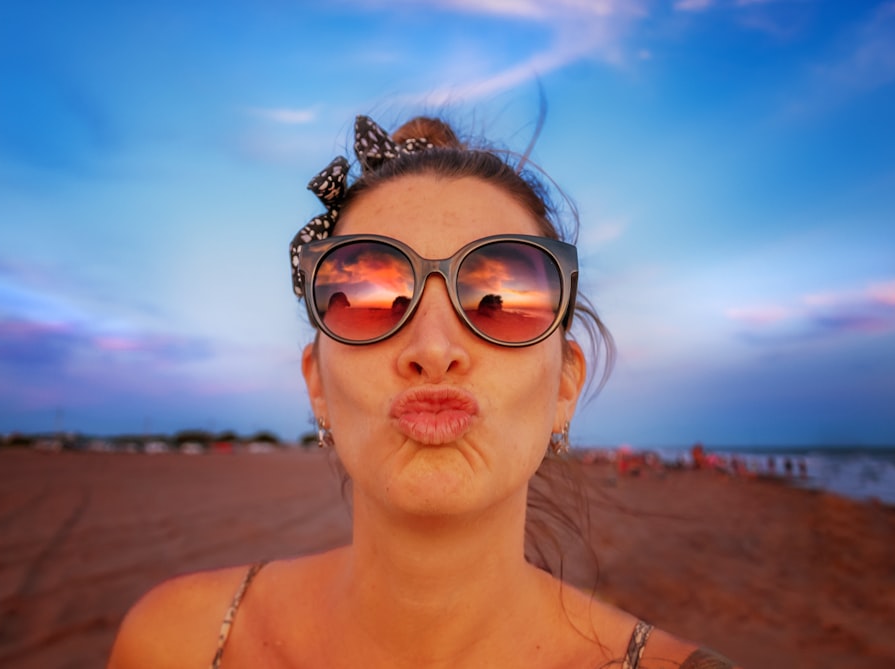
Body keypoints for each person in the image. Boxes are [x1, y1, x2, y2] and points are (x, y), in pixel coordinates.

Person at [107, 114, 738, 668]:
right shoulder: (174, 644)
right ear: (316, 385)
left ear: (565, 386)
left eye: (501, 298)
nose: (434, 349)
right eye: (371, 296)